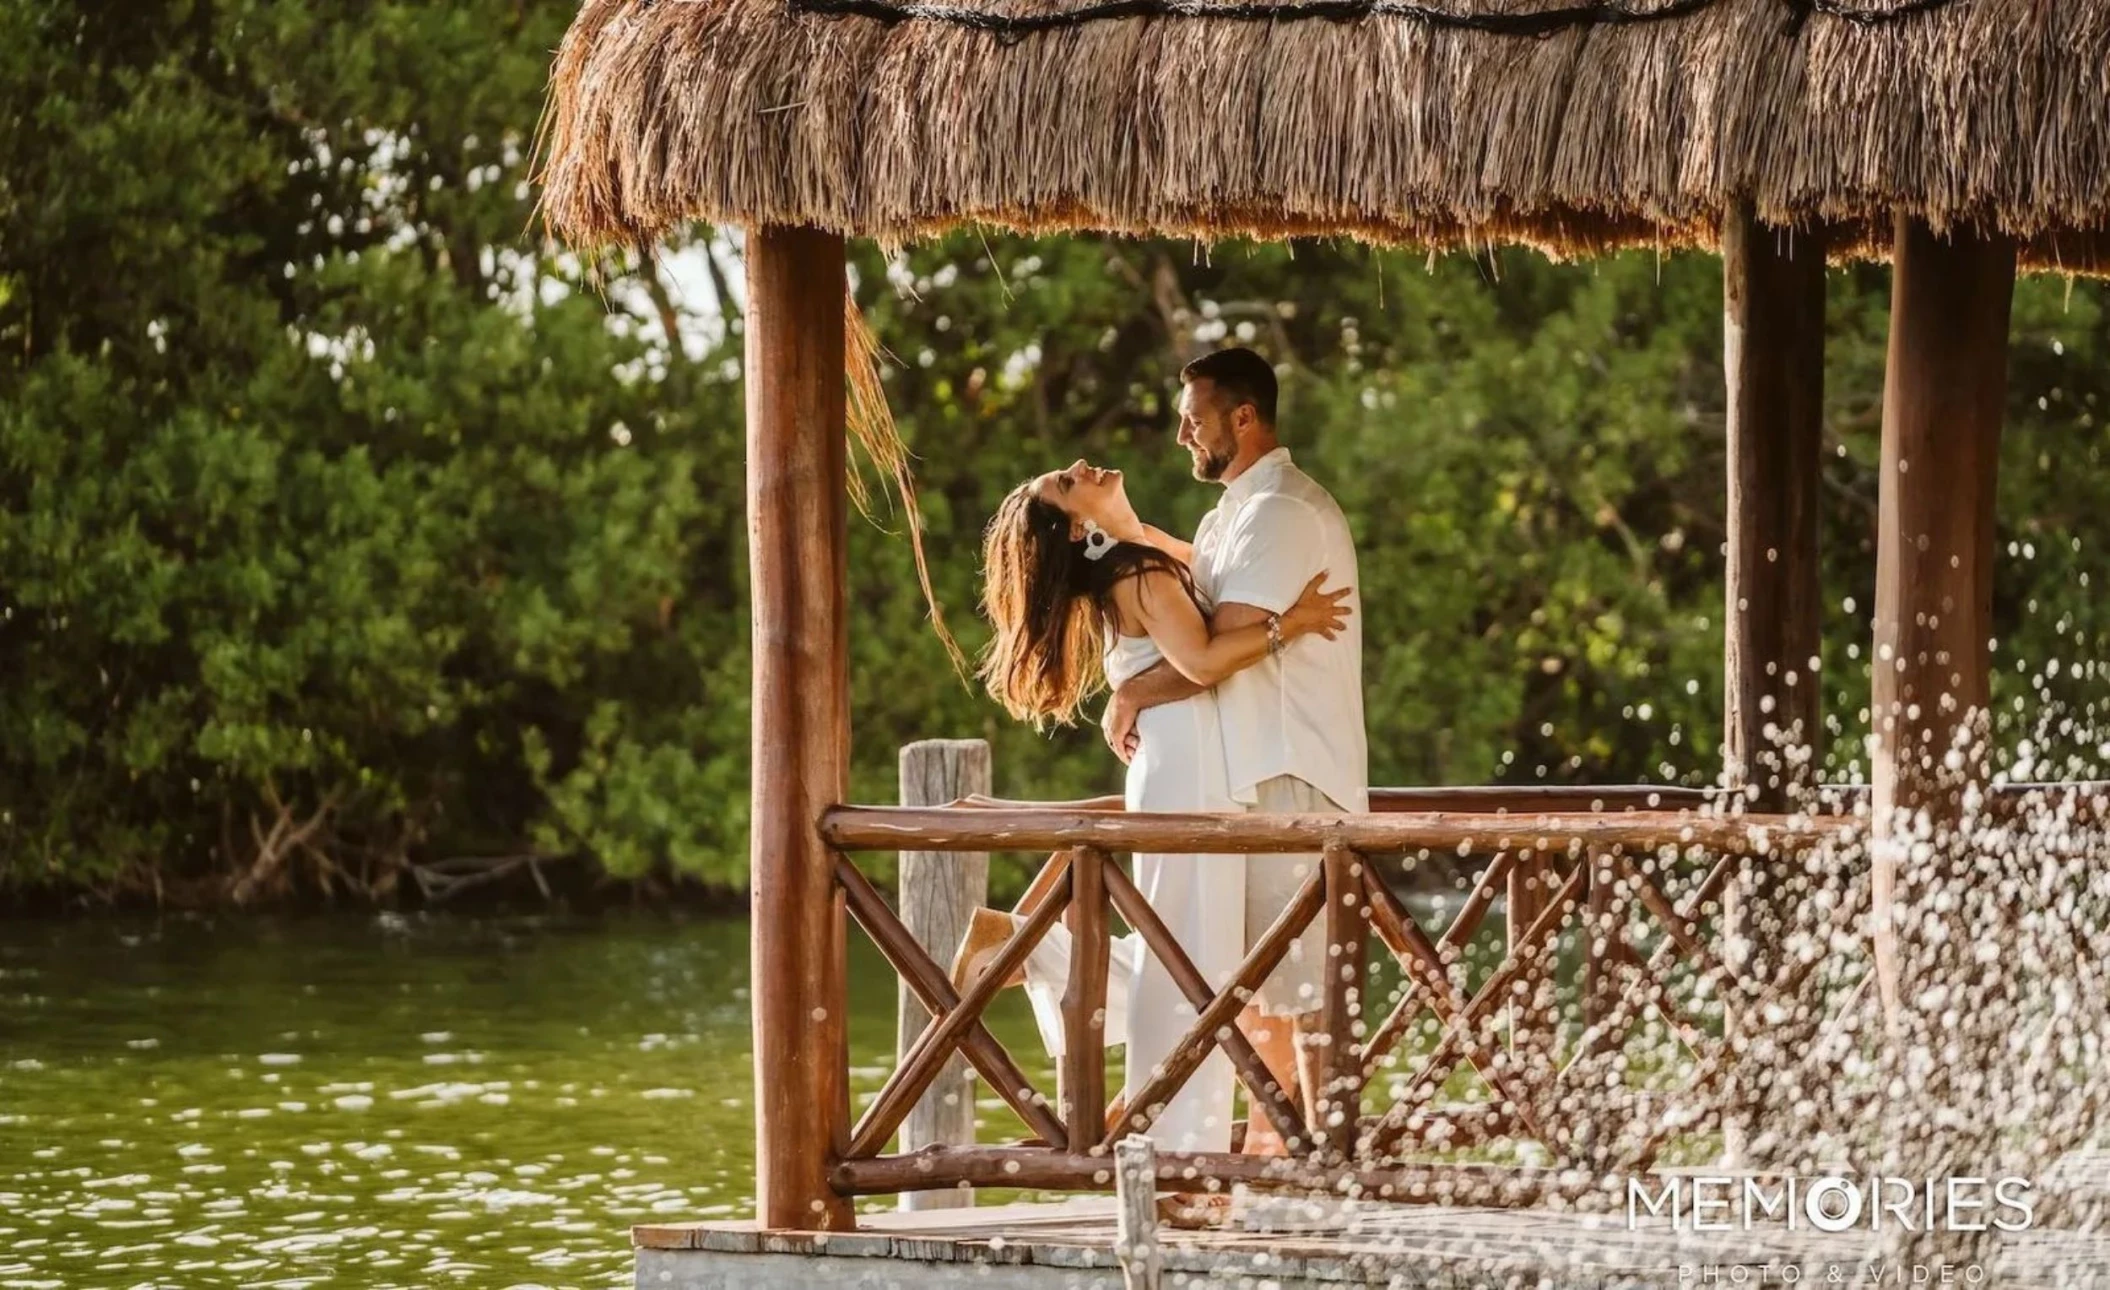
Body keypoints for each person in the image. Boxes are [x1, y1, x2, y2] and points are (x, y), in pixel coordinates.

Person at [967, 452, 1352, 1168]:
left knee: (1193, 956)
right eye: (1065, 482)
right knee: (1192, 963)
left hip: (1184, 765)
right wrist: (1291, 624)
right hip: (1190, 773)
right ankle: (1175, 1160)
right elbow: (1203, 662)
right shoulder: (1135, 574)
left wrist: (1135, 691)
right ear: (1077, 527)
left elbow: (1197, 571)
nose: (1080, 465)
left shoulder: (1138, 558)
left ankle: (1028, 949)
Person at [1101, 347, 1368, 1155]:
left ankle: (1305, 1157)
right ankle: (1276, 1150)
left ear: (1243, 418)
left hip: (1291, 768)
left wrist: (1132, 693)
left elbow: (1214, 644)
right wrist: (1124, 530)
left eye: (1195, 417)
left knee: (1290, 989)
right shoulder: (1231, 516)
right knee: (1252, 984)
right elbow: (1197, 597)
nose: (1182, 432)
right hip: (1248, 773)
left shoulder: (1282, 511)